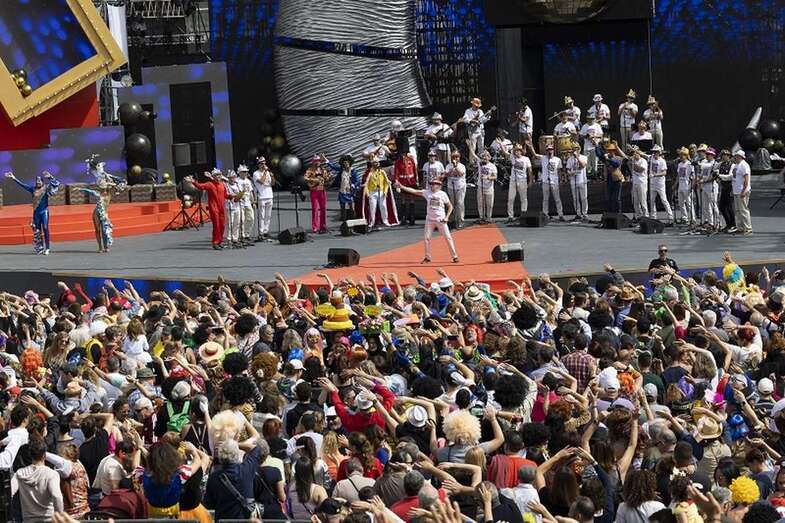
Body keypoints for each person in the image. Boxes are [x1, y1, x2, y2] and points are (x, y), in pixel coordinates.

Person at [394, 177, 459, 263]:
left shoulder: (443, 194)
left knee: (448, 238)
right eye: (431, 184)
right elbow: (414, 191)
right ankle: (427, 257)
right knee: (426, 238)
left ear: (439, 186)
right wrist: (401, 186)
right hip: (430, 220)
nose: (432, 185)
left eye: (434, 184)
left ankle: (454, 256)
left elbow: (450, 206)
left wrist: (447, 217)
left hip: (440, 220)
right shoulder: (426, 192)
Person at [4, 170, 61, 255]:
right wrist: (14, 178)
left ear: (42, 182)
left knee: (45, 228)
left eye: (39, 181)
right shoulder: (32, 189)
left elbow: (56, 183)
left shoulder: (46, 188)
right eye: (37, 181)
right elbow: (22, 185)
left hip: (44, 211)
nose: (38, 182)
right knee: (37, 231)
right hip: (36, 213)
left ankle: (47, 248)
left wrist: (50, 177)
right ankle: (40, 247)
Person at [16, 437, 64, 523]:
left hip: (28, 520)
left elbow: (10, 492)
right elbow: (57, 496)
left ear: (30, 455)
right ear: (44, 455)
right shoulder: (51, 474)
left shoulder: (20, 473)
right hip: (48, 519)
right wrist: (59, 517)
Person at [77, 174, 127, 254]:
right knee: (97, 230)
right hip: (96, 213)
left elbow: (120, 184)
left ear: (107, 188)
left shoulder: (109, 194)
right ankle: (100, 247)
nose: (103, 190)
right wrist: (80, 189)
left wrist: (108, 181)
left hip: (104, 214)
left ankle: (106, 246)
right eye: (102, 188)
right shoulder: (98, 194)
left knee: (105, 230)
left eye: (104, 188)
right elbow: (89, 191)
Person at [187, 169, 227, 249]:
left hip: (222, 208)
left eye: (219, 175)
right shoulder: (210, 184)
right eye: (216, 175)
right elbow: (200, 186)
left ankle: (219, 241)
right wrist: (193, 181)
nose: (218, 176)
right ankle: (215, 242)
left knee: (222, 225)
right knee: (217, 225)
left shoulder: (223, 184)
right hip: (214, 208)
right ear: (213, 177)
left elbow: (226, 195)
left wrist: (234, 197)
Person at [361, 155, 399, 230]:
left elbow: (386, 183)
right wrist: (367, 193)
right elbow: (366, 184)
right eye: (375, 163)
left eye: (378, 163)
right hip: (372, 192)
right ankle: (372, 222)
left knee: (383, 207)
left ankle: (385, 221)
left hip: (381, 192)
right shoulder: (369, 173)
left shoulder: (382, 172)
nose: (377, 164)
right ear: (372, 164)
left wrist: (385, 191)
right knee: (373, 207)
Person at [304, 154, 332, 234]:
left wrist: (329, 177)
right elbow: (305, 178)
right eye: (316, 161)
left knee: (323, 209)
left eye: (318, 161)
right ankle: (315, 227)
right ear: (313, 162)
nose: (317, 163)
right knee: (315, 209)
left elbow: (326, 178)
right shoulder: (310, 170)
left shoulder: (323, 170)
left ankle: (323, 226)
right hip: (314, 191)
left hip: (322, 190)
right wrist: (314, 180)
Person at [327, 154, 361, 222]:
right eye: (344, 163)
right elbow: (333, 167)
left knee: (351, 207)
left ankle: (353, 219)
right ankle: (343, 220)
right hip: (342, 191)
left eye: (347, 162)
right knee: (342, 206)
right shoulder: (341, 169)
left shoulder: (353, 171)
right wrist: (326, 161)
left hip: (350, 191)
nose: (346, 164)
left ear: (350, 163)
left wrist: (353, 185)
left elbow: (357, 180)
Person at [506, 144, 533, 223]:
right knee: (511, 199)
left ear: (521, 152)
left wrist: (530, 180)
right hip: (513, 181)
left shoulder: (526, 159)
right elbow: (505, 152)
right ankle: (510, 216)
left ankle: (523, 215)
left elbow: (529, 170)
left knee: (523, 198)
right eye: (516, 151)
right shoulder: (513, 157)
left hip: (522, 180)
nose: (517, 152)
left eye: (518, 151)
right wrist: (501, 145)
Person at [252, 156, 275, 242]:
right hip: (261, 196)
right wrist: (265, 172)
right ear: (258, 165)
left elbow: (272, 183)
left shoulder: (268, 173)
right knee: (261, 215)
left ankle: (266, 231)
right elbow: (261, 182)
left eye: (264, 163)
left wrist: (272, 176)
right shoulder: (256, 173)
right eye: (261, 163)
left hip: (269, 195)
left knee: (268, 215)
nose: (263, 165)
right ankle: (261, 233)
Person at [648, 145, 673, 224]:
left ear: (659, 153)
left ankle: (670, 216)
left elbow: (664, 172)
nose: (654, 153)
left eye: (656, 152)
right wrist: (633, 149)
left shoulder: (662, 161)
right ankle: (653, 217)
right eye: (654, 152)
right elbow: (642, 154)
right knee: (652, 200)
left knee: (664, 200)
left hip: (660, 184)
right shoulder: (651, 158)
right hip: (652, 183)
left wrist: (655, 175)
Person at [539, 144, 565, 221]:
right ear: (546, 151)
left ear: (553, 150)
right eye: (548, 150)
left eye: (551, 149)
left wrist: (561, 180)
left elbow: (559, 171)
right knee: (545, 199)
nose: (549, 151)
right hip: (545, 181)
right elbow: (535, 155)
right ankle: (545, 214)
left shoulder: (557, 159)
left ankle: (560, 214)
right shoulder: (543, 158)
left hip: (554, 181)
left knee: (557, 198)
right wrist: (530, 146)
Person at [394, 149, 419, 226]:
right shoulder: (398, 162)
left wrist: (416, 180)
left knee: (412, 199)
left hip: (411, 182)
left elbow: (414, 170)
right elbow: (396, 173)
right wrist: (397, 182)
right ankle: (403, 218)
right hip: (403, 182)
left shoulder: (411, 160)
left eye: (404, 154)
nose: (403, 155)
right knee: (403, 199)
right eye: (401, 154)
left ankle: (412, 218)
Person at [462, 97, 492, 162]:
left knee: (481, 147)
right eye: (476, 105)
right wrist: (472, 121)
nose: (477, 107)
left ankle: (481, 161)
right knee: (473, 147)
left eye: (477, 105)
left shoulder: (480, 111)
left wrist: (488, 116)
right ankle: (472, 162)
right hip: (473, 131)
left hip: (480, 130)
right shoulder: (468, 111)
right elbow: (465, 119)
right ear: (472, 104)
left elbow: (483, 120)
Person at [698, 147, 720, 232]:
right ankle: (710, 223)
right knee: (706, 206)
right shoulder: (704, 162)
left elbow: (714, 177)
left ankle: (717, 223)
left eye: (709, 154)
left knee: (713, 205)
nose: (707, 155)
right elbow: (701, 173)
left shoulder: (715, 164)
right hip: (704, 187)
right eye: (706, 154)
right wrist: (700, 179)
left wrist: (705, 180)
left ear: (713, 155)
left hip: (712, 186)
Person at [565, 143, 588, 222]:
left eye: (577, 148)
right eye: (574, 149)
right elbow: (567, 170)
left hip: (582, 180)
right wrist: (570, 173)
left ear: (580, 149)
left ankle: (584, 214)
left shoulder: (584, 157)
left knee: (584, 198)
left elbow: (582, 165)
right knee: (575, 198)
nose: (575, 150)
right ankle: (578, 213)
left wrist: (577, 157)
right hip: (573, 181)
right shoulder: (570, 159)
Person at [731, 149, 752, 235]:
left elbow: (746, 179)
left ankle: (748, 228)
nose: (735, 157)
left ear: (740, 157)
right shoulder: (736, 165)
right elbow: (735, 178)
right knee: (737, 210)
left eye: (736, 156)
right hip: (736, 191)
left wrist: (744, 190)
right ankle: (740, 227)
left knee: (743, 210)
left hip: (742, 191)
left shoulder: (744, 165)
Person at [445, 150, 467, 229]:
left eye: (456, 157)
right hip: (451, 186)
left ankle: (460, 221)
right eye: (453, 157)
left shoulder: (462, 166)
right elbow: (447, 174)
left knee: (460, 203)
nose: (455, 158)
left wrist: (456, 166)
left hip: (460, 186)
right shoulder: (448, 166)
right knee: (452, 203)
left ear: (459, 158)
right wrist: (452, 168)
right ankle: (453, 220)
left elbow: (461, 173)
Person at [716, 149, 736, 232]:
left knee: (729, 206)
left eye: (726, 155)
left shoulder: (732, 165)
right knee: (722, 207)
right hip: (723, 187)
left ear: (729, 156)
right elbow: (714, 169)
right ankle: (728, 224)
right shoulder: (720, 164)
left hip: (730, 187)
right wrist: (716, 175)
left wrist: (720, 176)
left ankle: (733, 224)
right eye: (723, 155)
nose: (724, 157)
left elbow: (730, 176)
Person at [476, 150, 497, 224]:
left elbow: (495, 177)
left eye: (487, 155)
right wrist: (470, 146)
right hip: (480, 186)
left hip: (489, 187)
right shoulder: (480, 163)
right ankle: (481, 217)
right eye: (484, 156)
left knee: (489, 203)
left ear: (490, 157)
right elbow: (473, 155)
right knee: (480, 203)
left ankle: (489, 217)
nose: (485, 157)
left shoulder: (492, 166)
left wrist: (487, 178)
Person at [236, 164, 255, 246]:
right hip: (240, 203)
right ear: (239, 173)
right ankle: (242, 236)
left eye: (246, 172)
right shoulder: (237, 181)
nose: (245, 173)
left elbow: (250, 192)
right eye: (243, 172)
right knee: (242, 220)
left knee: (251, 218)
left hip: (248, 202)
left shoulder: (248, 181)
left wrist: (253, 201)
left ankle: (247, 234)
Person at [676, 147, 695, 225]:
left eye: (683, 155)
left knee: (689, 203)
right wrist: (675, 185)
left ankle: (692, 219)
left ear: (686, 155)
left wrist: (692, 186)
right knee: (681, 203)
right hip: (680, 185)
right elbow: (678, 176)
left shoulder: (690, 164)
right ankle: (685, 218)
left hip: (687, 186)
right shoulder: (680, 164)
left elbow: (693, 175)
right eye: (680, 154)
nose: (681, 156)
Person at [629, 146, 649, 221]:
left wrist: (633, 164)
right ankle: (638, 217)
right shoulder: (633, 161)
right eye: (633, 153)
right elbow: (631, 168)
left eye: (635, 153)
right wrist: (631, 163)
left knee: (643, 201)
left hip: (642, 183)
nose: (634, 155)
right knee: (635, 202)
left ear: (639, 153)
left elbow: (641, 170)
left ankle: (646, 216)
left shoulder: (643, 161)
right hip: (635, 183)